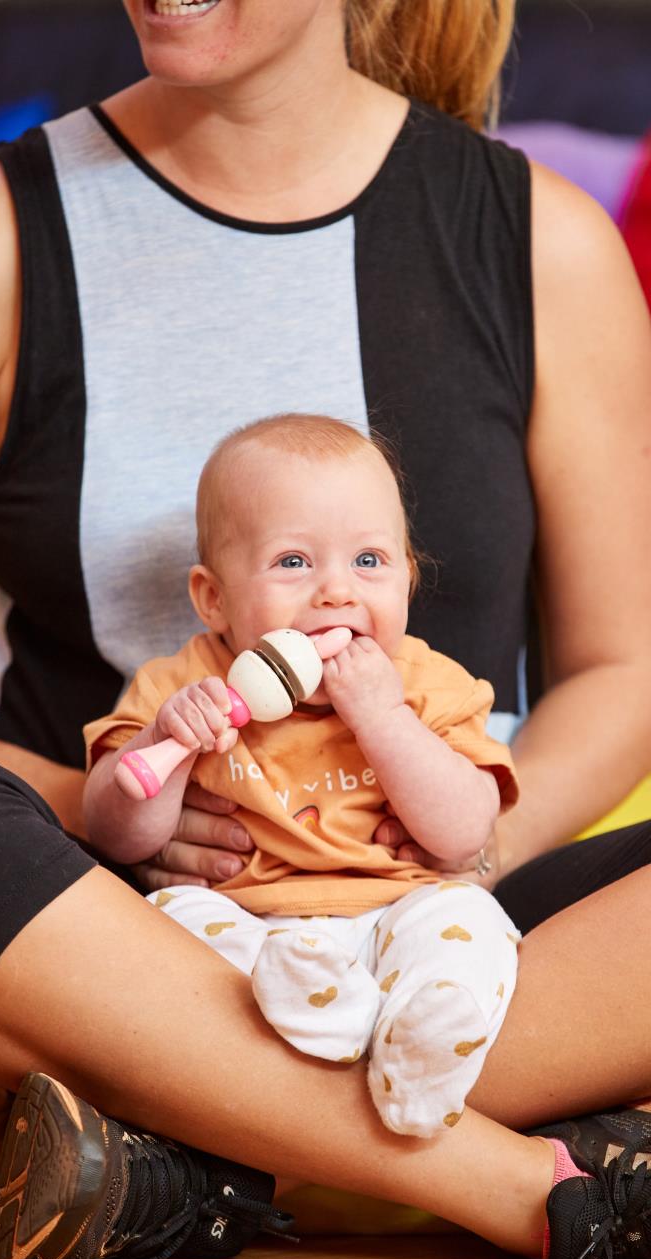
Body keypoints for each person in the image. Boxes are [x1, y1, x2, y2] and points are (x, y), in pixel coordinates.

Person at [0, 0, 651, 1259]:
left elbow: (625, 675)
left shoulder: (538, 240)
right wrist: (94, 796)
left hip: (449, 917)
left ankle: (183, 1151)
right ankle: (526, 1176)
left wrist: (471, 831)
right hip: (117, 920)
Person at [83, 413, 521, 1138]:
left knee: (469, 921)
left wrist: (383, 719)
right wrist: (169, 741)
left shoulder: (424, 685)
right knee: (166, 923)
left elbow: (462, 832)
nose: (335, 593)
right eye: (293, 562)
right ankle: (315, 1009)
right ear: (213, 598)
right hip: (250, 930)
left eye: (370, 562)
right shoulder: (183, 685)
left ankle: (424, 1046)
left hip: (391, 912)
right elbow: (114, 832)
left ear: (408, 580)